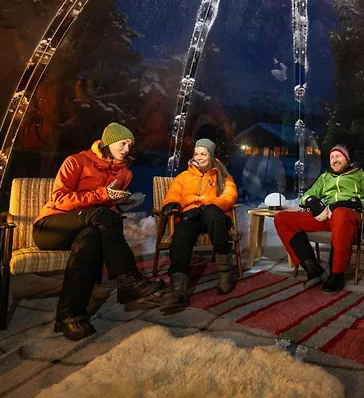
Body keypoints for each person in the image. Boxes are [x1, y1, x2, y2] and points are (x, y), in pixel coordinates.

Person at [33, 123, 164, 341]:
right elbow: (59, 199)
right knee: (101, 216)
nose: (127, 149)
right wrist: (102, 195)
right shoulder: (76, 161)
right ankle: (127, 278)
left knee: (89, 240)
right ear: (108, 143)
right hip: (51, 226)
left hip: (86, 226)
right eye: (123, 143)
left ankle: (69, 316)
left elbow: (108, 211)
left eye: (130, 145)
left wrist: (121, 204)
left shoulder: (124, 173)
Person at [274, 145, 364, 294]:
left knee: (340, 213)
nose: (334, 160)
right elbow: (305, 197)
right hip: (326, 217)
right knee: (282, 218)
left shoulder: (363, 177)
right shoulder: (324, 178)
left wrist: (350, 203)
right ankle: (312, 268)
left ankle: (337, 274)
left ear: (347, 159)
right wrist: (312, 201)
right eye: (332, 157)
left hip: (348, 218)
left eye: (338, 156)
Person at [159, 139, 238, 311]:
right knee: (182, 231)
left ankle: (226, 272)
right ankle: (178, 289)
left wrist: (206, 204)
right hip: (192, 217)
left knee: (211, 212)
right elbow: (173, 195)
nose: (199, 157)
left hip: (216, 217)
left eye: (203, 154)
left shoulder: (222, 176)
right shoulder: (183, 177)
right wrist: (171, 203)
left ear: (211, 156)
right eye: (196, 154)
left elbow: (229, 196)